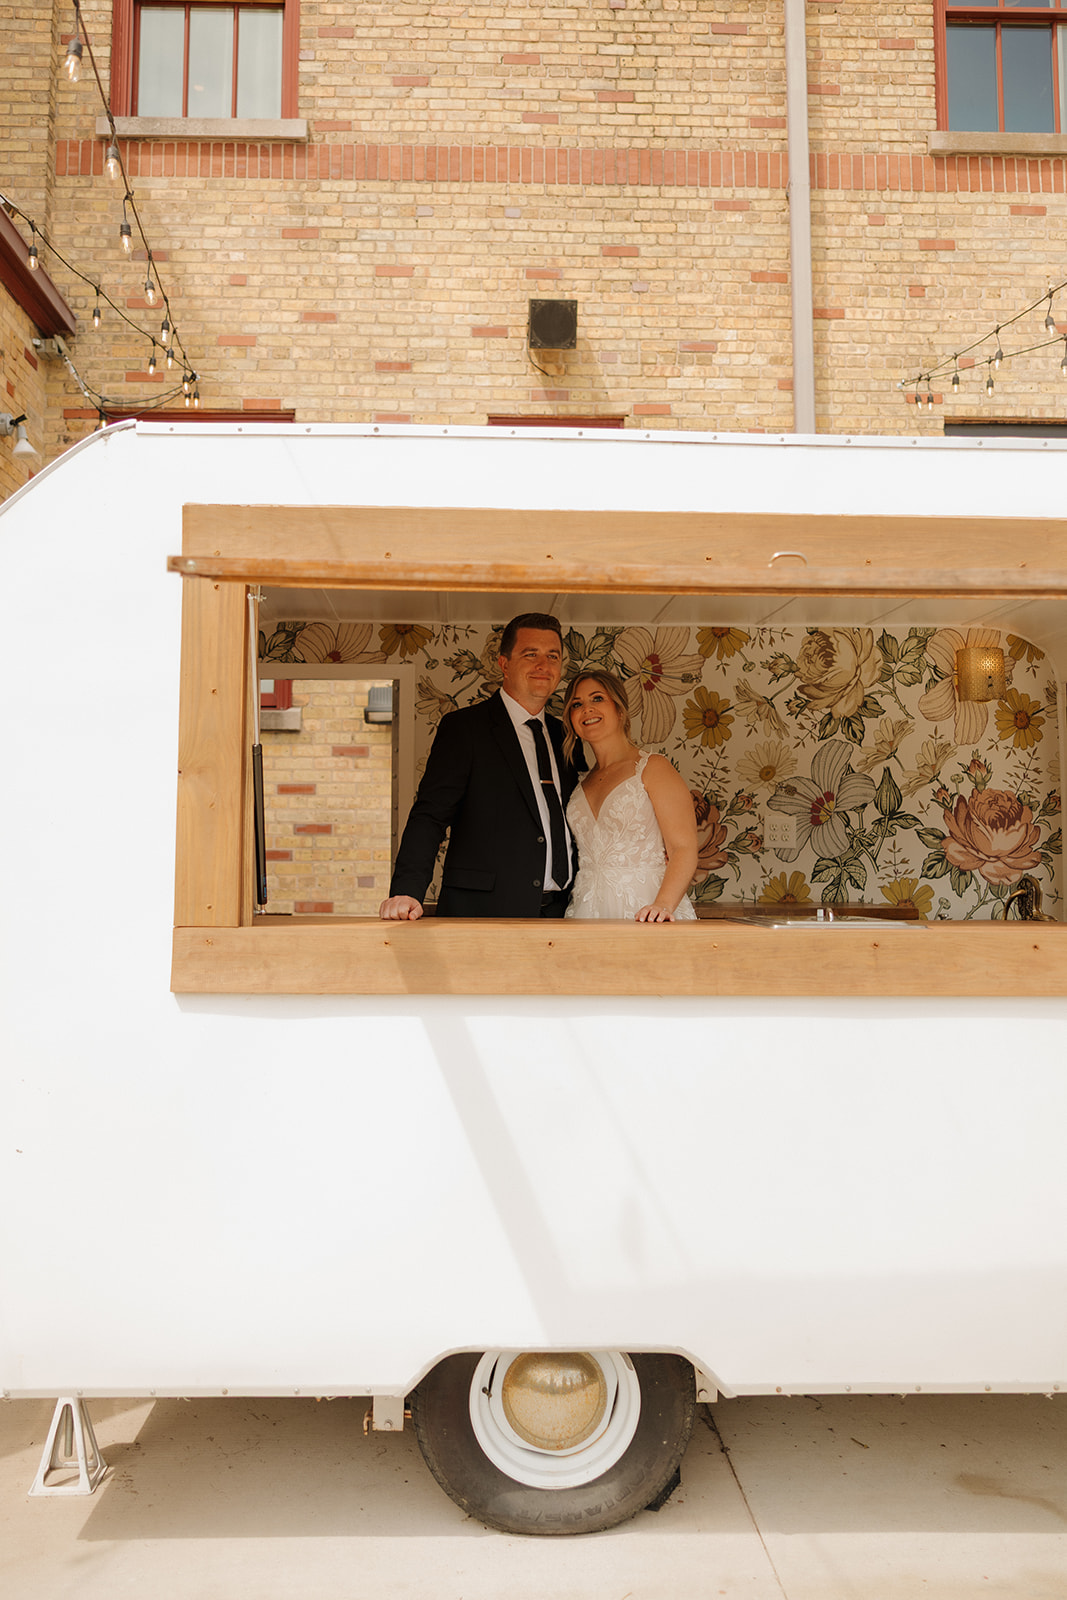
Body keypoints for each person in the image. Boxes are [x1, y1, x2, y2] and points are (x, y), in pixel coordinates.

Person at [379, 613, 581, 920]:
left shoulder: (567, 735)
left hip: (564, 913)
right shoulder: (464, 729)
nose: (544, 665)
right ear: (504, 664)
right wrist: (406, 890)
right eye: (531, 654)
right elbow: (430, 815)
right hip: (484, 912)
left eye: (552, 656)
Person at [562, 669, 698, 922]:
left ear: (620, 710)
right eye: (577, 704)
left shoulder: (653, 768)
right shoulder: (579, 783)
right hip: (587, 911)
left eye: (597, 699)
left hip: (647, 909)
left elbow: (684, 848)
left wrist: (662, 906)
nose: (587, 709)